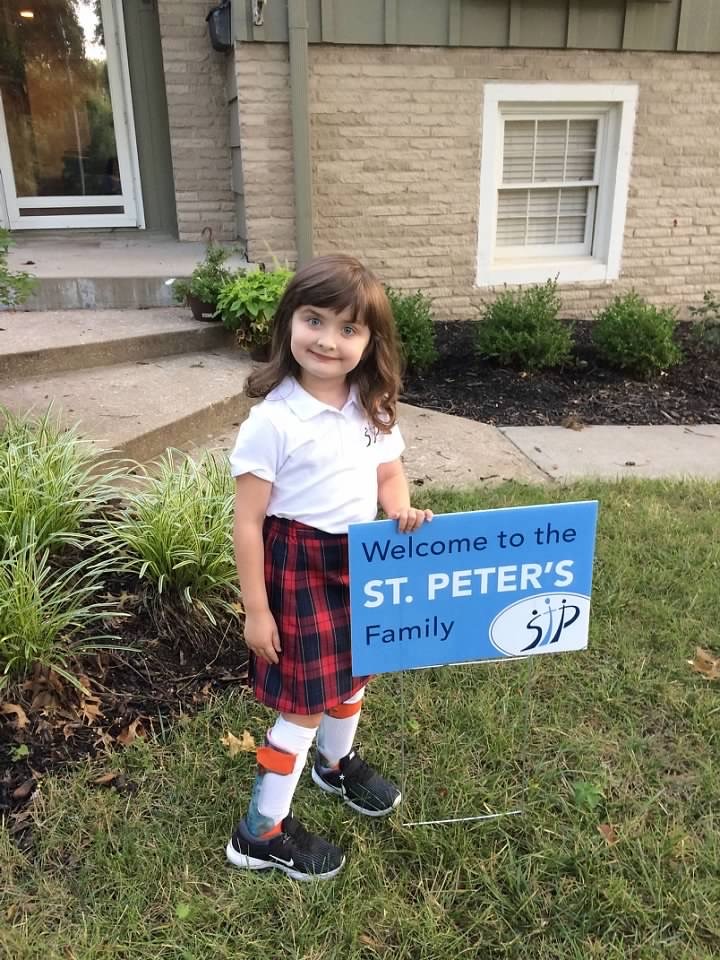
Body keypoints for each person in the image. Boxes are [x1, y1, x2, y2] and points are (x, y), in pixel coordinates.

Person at [226, 254, 433, 881]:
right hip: (298, 565)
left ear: (371, 341)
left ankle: (334, 767)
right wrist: (257, 610)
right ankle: (259, 832)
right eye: (314, 320)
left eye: (349, 329)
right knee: (304, 706)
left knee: (354, 676)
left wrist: (398, 509)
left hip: (359, 559)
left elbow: (388, 471)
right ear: (289, 321)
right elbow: (248, 523)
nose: (329, 340)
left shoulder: (372, 406)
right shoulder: (274, 421)